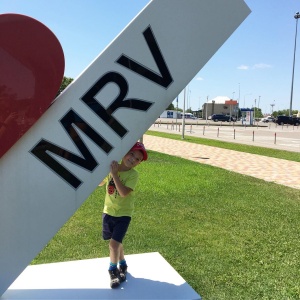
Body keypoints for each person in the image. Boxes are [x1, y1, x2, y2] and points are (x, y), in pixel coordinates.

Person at [99, 141, 148, 288]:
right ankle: (123, 264)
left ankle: (113, 271)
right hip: (108, 211)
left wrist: (114, 174)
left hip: (123, 215)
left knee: (113, 245)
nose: (133, 158)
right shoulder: (112, 167)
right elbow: (101, 183)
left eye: (137, 158)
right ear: (125, 152)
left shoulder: (133, 175)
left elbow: (123, 192)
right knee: (116, 242)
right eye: (131, 153)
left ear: (139, 163)